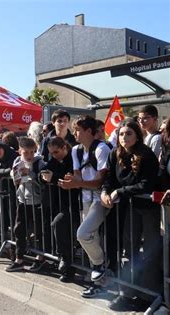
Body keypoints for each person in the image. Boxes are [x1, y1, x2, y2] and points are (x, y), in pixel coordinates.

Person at [101, 120, 161, 312]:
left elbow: (146, 185)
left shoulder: (147, 155)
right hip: (129, 209)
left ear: (137, 135)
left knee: (150, 252)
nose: (124, 137)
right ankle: (127, 292)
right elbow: (108, 180)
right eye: (121, 134)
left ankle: (148, 294)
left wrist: (120, 192)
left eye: (128, 134)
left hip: (147, 208)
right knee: (129, 250)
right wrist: (105, 192)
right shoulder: (114, 153)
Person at [58, 116, 111, 298]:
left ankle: (99, 265)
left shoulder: (102, 148)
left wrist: (75, 184)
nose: (75, 133)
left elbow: (100, 182)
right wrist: (70, 183)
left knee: (83, 234)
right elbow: (77, 178)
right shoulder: (76, 150)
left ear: (89, 131)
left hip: (101, 200)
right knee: (91, 238)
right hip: (86, 199)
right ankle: (98, 283)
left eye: (78, 130)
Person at [40, 137, 80, 282]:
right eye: (51, 153)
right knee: (63, 233)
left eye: (56, 152)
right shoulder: (54, 160)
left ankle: (66, 260)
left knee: (59, 225)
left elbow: (71, 180)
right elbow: (43, 171)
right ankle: (67, 268)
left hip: (74, 203)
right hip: (59, 203)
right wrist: (44, 176)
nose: (54, 156)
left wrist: (54, 178)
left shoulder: (74, 158)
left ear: (64, 147)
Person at [7, 137, 46, 272]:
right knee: (19, 229)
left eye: (32, 152)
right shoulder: (17, 161)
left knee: (39, 230)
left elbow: (44, 180)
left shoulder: (39, 162)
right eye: (26, 152)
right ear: (20, 151)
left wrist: (31, 173)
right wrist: (16, 175)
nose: (29, 155)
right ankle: (19, 258)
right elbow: (14, 177)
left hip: (37, 200)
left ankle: (40, 258)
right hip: (22, 199)